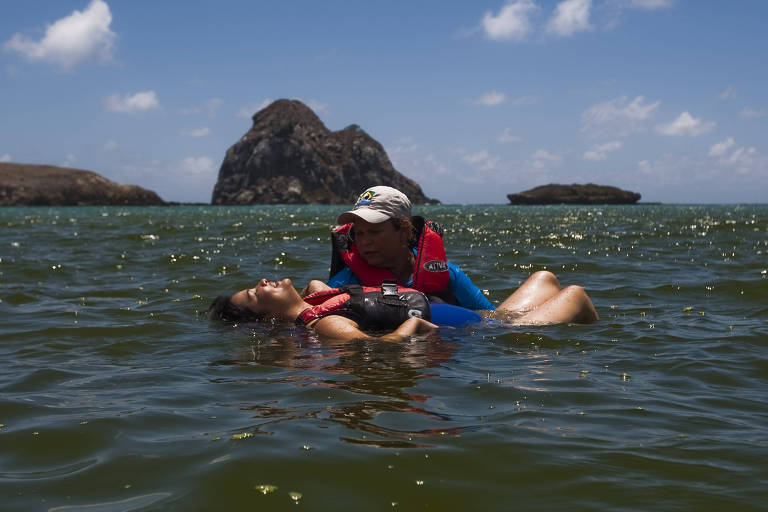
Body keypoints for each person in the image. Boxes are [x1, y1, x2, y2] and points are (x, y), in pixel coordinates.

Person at [302, 185, 598, 325]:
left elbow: (492, 318)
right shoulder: (348, 278)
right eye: (359, 233)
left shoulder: (445, 273)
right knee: (574, 294)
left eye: (375, 232)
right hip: (479, 334)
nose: (365, 243)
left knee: (544, 277)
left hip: (485, 334)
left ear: (403, 230)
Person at [208, 278, 438, 342]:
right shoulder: (327, 324)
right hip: (423, 318)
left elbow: (314, 288)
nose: (262, 281)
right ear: (270, 317)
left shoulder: (314, 298)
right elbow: (384, 346)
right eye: (256, 294)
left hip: (411, 298)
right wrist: (415, 324)